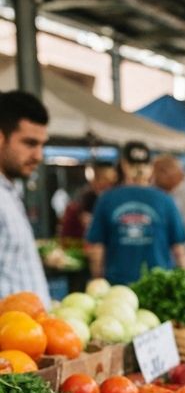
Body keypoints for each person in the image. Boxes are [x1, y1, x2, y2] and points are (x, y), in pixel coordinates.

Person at [86, 141, 185, 285]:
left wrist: (98, 282)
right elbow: (179, 250)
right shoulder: (165, 200)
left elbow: (96, 250)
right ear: (150, 167)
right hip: (158, 285)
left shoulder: (106, 199)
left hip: (119, 288)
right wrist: (184, 282)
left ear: (123, 165)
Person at [0, 90, 51, 303]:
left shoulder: (9, 192)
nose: (38, 156)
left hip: (29, 332)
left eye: (42, 145)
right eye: (30, 143)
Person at [60, 165, 117, 242]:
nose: (108, 185)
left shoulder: (113, 201)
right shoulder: (83, 201)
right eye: (104, 180)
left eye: (111, 183)